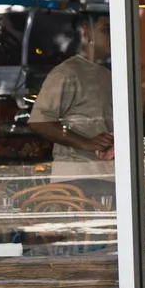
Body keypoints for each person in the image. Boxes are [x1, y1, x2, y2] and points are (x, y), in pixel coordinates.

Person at [29, 10, 114, 183]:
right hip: (77, 176)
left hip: (107, 175)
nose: (114, 35)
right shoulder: (67, 72)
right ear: (86, 32)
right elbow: (39, 121)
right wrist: (85, 143)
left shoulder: (107, 74)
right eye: (107, 29)